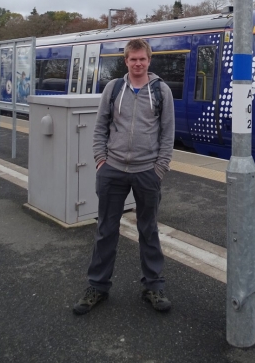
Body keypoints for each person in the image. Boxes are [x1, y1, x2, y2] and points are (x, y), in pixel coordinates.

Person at [73, 38, 175, 315]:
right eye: (133, 59)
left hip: (147, 172)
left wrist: (159, 169)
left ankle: (153, 285)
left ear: (149, 60)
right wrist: (100, 160)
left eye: (142, 59)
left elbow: (167, 134)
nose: (138, 63)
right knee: (106, 229)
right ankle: (98, 286)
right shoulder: (113, 88)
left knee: (148, 230)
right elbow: (100, 127)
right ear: (126, 61)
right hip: (113, 171)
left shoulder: (162, 91)